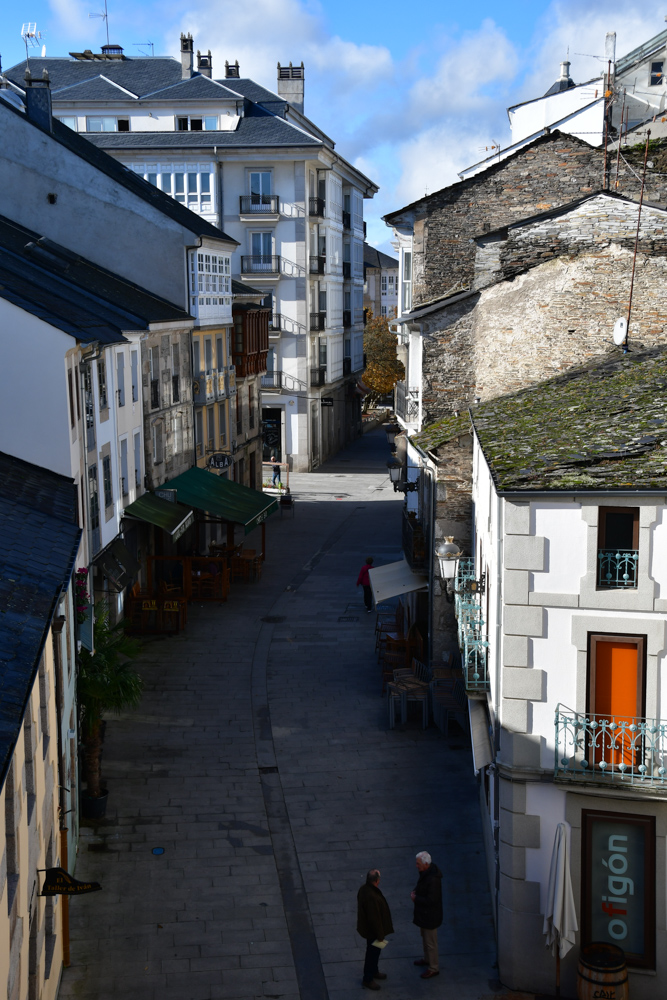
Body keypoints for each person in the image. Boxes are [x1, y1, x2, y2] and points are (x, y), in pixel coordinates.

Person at [356, 869, 394, 990]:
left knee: (374, 952)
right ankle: (368, 978)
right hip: (374, 931)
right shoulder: (372, 896)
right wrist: (380, 935)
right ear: (377, 881)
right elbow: (374, 919)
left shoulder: (364, 889)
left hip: (369, 929)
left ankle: (374, 971)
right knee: (372, 953)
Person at [411, 851, 443, 979]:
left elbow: (431, 900)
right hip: (425, 915)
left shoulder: (433, 879)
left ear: (425, 864)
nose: (416, 866)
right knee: (425, 938)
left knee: (430, 942)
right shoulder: (427, 874)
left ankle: (433, 967)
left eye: (418, 864)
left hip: (430, 916)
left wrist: (415, 898)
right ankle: (427, 959)